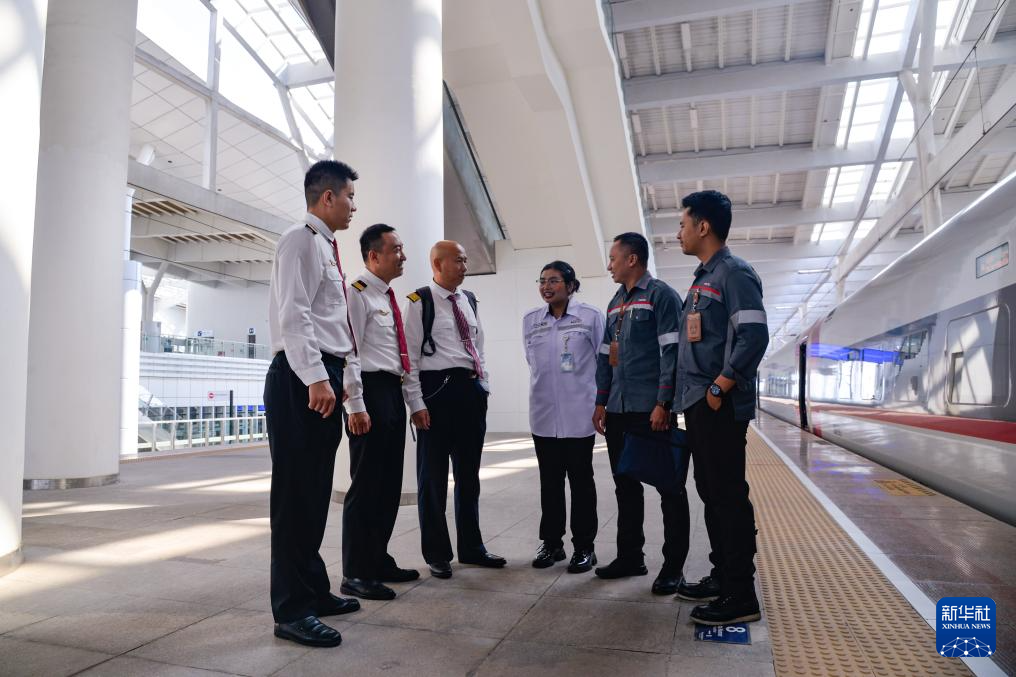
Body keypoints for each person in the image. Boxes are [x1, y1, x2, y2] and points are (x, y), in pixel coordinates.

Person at [264, 160, 366, 648]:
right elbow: (294, 314)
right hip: (300, 378)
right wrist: (315, 377)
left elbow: (327, 321)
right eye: (348, 196)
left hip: (321, 375)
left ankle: (314, 591)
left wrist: (337, 375)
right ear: (326, 197)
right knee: (294, 499)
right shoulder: (299, 240)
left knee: (314, 495)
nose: (353, 205)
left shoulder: (325, 245)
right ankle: (291, 610)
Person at [674, 190, 768, 625]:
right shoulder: (702, 279)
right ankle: (722, 575)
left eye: (682, 223)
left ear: (703, 226)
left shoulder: (733, 274)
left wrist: (719, 387)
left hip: (719, 406)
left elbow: (755, 336)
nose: (679, 232)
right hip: (699, 404)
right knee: (712, 494)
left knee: (727, 497)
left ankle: (740, 594)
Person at [592, 232, 689, 596]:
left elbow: (672, 353)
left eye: (613, 258)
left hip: (651, 410)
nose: (609, 264)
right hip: (618, 408)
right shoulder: (615, 303)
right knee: (625, 486)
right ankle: (630, 556)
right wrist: (601, 401)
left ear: (632, 259)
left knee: (669, 489)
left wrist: (664, 402)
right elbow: (606, 357)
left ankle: (674, 567)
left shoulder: (661, 296)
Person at [402, 241, 506, 579]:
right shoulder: (419, 302)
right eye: (458, 260)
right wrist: (416, 403)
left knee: (469, 477)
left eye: (465, 259)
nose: (465, 265)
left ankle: (472, 548)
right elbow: (410, 360)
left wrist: (483, 385)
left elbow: (480, 346)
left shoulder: (469, 299)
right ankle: (437, 553)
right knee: (432, 479)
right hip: (436, 394)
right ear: (437, 263)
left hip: (470, 393)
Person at [339, 223, 419, 601]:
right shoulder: (356, 293)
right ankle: (355, 572)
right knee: (366, 485)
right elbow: (348, 351)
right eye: (396, 249)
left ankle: (378, 559)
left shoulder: (386, 295)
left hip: (389, 391)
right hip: (368, 392)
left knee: (388, 486)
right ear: (374, 255)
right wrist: (354, 403)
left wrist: (412, 402)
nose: (402, 255)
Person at [522, 261, 604, 573]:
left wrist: (601, 402)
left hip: (580, 414)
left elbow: (603, 361)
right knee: (550, 483)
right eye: (542, 281)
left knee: (582, 483)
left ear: (571, 285)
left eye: (554, 281)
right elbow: (532, 362)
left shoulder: (590, 317)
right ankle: (552, 544)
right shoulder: (531, 320)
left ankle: (585, 547)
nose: (546, 286)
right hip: (543, 415)